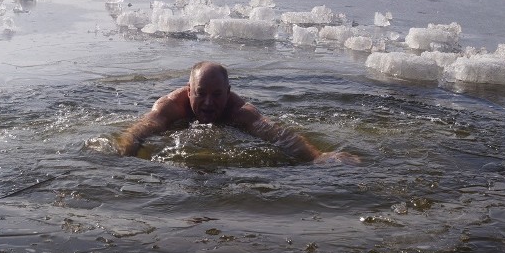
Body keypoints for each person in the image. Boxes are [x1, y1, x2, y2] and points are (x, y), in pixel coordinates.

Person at [117, 61, 358, 164]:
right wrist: (123, 150)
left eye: (217, 94)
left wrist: (317, 157)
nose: (209, 103)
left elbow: (278, 135)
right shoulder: (170, 106)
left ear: (228, 92)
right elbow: (140, 130)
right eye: (201, 94)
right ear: (189, 91)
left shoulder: (240, 111)